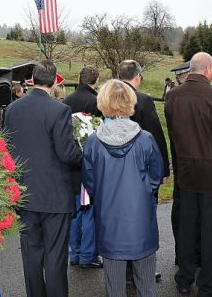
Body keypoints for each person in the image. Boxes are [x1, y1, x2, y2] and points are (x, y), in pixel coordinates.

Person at [165, 52, 212, 296]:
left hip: (186, 171)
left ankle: (184, 277)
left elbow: (174, 133)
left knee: (187, 226)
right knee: (211, 229)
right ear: (208, 70)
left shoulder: (173, 96)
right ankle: (207, 284)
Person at [4, 60, 82, 297]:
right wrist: (83, 149)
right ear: (55, 81)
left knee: (31, 257)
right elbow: (67, 153)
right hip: (55, 197)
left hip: (25, 193)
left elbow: (7, 148)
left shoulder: (13, 109)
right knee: (56, 258)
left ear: (32, 80)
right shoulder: (59, 110)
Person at [82, 79, 163, 297]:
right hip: (141, 222)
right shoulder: (145, 140)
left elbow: (90, 183)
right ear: (131, 102)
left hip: (109, 223)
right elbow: (156, 178)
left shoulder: (92, 143)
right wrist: (143, 190)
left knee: (114, 288)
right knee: (146, 286)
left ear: (102, 103)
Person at [118, 59, 169, 283]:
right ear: (137, 76)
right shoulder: (144, 100)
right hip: (140, 172)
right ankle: (141, 269)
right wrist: (164, 169)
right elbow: (156, 137)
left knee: (119, 219)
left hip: (114, 172)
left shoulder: (107, 96)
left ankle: (124, 269)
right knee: (143, 220)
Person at [64, 66, 103, 269]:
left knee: (75, 211)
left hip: (70, 164)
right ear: (96, 80)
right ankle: (88, 255)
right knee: (89, 210)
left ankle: (75, 252)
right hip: (89, 164)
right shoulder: (96, 102)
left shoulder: (67, 101)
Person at [168, 60, 193, 265]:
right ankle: (192, 254)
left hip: (181, 161)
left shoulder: (173, 97)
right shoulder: (176, 97)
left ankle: (182, 254)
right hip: (188, 161)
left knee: (181, 210)